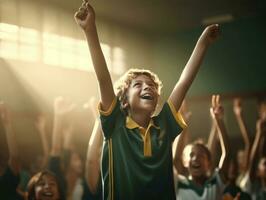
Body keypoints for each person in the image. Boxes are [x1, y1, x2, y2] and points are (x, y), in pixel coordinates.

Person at [74, 1, 220, 199]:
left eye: (151, 85)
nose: (147, 87)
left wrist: (203, 43)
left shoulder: (164, 126)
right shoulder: (115, 124)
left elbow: (183, 83)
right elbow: (103, 78)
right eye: (138, 84)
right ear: (124, 101)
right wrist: (90, 30)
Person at [174, 95, 230, 200]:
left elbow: (227, 153)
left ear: (209, 162)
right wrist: (181, 123)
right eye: (191, 155)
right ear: (185, 162)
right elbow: (176, 159)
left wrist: (219, 121)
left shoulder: (215, 183)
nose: (195, 158)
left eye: (201, 156)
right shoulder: (179, 183)